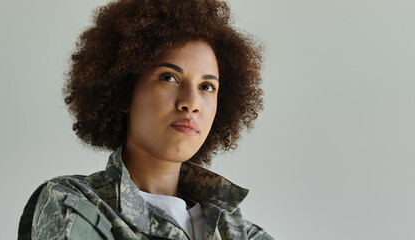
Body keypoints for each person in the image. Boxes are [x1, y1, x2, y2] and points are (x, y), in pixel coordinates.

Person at [17, 0, 272, 239]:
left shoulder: (244, 233)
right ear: (125, 92)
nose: (191, 103)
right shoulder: (74, 203)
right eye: (168, 77)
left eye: (207, 87)